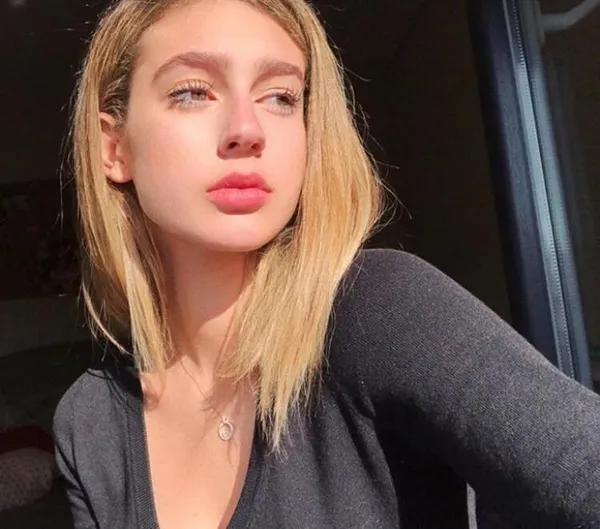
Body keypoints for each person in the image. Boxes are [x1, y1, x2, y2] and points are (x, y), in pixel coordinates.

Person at [53, 0, 600, 527]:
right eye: (193, 91)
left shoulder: (381, 311)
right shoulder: (91, 422)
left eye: (280, 97)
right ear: (114, 147)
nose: (248, 129)